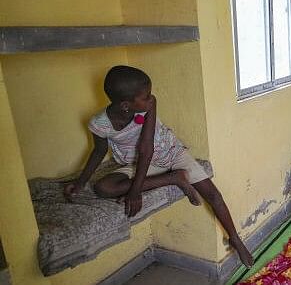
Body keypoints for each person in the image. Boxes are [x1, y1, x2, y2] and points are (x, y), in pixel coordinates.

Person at [63, 66, 254, 267]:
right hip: (136, 162)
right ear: (126, 106)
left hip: (170, 152)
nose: (151, 98)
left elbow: (147, 148)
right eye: (145, 96)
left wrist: (135, 191)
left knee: (213, 195)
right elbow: (99, 151)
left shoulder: (150, 105)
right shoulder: (99, 124)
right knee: (103, 188)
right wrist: (80, 182)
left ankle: (235, 238)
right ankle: (174, 178)